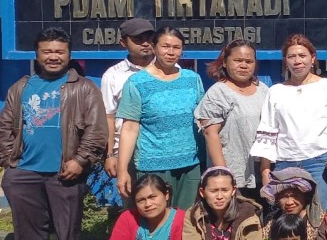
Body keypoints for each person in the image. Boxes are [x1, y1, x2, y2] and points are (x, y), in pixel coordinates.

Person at [0, 27, 107, 240]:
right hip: (25, 171)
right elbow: (4, 126)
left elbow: (97, 130)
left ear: (69, 55)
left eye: (60, 51)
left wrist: (80, 161)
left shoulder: (84, 88)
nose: (53, 56)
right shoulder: (21, 87)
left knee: (67, 227)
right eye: (47, 51)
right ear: (37, 54)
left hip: (66, 171)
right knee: (28, 227)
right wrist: (9, 162)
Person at [251, 34, 327, 210]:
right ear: (285, 61)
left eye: (302, 55)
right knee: (285, 219)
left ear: (313, 58)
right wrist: (265, 171)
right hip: (284, 164)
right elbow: (268, 130)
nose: (297, 61)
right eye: (291, 56)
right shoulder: (276, 91)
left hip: (319, 163)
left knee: (317, 215)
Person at [116, 26, 204, 208]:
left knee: (186, 220)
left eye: (176, 47)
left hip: (191, 164)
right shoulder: (137, 82)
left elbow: (203, 120)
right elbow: (130, 128)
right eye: (165, 46)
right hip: (153, 165)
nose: (171, 52)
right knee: (155, 219)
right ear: (154, 48)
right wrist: (122, 169)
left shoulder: (192, 79)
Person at [195, 39, 269, 201]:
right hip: (232, 173)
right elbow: (210, 134)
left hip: (261, 171)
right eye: (238, 60)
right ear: (225, 63)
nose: (244, 65)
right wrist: (223, 174)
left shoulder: (263, 90)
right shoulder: (218, 92)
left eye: (249, 61)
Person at [100, 18, 155, 186]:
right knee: (133, 206)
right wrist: (110, 155)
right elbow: (108, 117)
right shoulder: (113, 75)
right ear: (123, 43)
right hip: (127, 153)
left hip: (161, 151)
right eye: (138, 39)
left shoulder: (173, 70)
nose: (145, 43)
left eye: (149, 38)